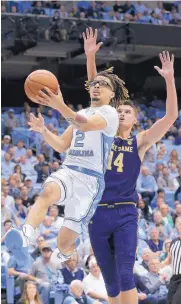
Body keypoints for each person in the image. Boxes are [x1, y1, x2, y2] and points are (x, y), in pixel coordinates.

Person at [5, 39, 127, 267]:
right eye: (95, 84)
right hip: (69, 170)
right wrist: (43, 130)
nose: (97, 86)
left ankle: (68, 256)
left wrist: (59, 105)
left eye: (103, 85)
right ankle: (25, 237)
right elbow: (61, 145)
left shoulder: (110, 113)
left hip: (89, 182)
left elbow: (85, 124)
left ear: (112, 95)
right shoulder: (81, 112)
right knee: (46, 193)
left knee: (64, 243)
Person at [84, 28, 178, 304]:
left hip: (125, 212)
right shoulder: (102, 133)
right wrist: (91, 58)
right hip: (98, 212)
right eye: (119, 110)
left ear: (135, 120)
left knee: (126, 274)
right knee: (111, 282)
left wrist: (170, 80)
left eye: (128, 111)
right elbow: (95, 93)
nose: (122, 112)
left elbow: (171, 115)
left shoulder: (140, 142)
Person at [161, 217, 181, 304]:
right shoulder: (173, 242)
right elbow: (169, 259)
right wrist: (161, 265)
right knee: (170, 301)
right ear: (177, 226)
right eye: (180, 224)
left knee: (176, 301)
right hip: (174, 278)